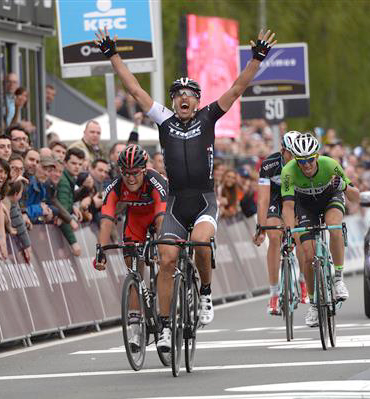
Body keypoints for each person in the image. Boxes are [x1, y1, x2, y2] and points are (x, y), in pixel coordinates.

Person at [95, 26, 277, 351]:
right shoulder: (164, 120)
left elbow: (236, 89)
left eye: (189, 94)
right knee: (166, 260)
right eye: (177, 94)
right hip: (177, 203)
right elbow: (135, 90)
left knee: (200, 242)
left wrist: (257, 59)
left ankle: (205, 293)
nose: (183, 97)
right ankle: (164, 328)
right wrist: (113, 54)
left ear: (196, 100)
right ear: (173, 101)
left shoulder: (208, 117)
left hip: (205, 200)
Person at [280, 133, 360, 327]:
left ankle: (339, 278)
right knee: (308, 255)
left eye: (309, 160)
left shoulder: (330, 164)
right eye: (301, 161)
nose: (306, 165)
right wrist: (289, 233)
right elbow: (288, 207)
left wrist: (343, 185)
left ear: (316, 156)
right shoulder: (288, 172)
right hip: (305, 206)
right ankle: (315, 303)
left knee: (334, 227)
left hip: (329, 199)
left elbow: (356, 197)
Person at [94, 145, 167, 350]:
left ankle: (168, 320)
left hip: (160, 216)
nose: (130, 178)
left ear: (144, 170)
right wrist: (101, 249)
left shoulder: (155, 181)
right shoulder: (115, 187)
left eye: (135, 173)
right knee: (134, 271)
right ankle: (135, 326)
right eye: (125, 173)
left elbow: (161, 217)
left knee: (166, 262)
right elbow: (107, 219)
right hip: (136, 222)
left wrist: (161, 246)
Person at [253, 131, 308, 315]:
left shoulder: (303, 163)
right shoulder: (269, 164)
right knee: (274, 237)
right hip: (275, 199)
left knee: (299, 235)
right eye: (291, 154)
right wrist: (261, 227)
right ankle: (274, 294)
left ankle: (302, 281)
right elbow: (262, 199)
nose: (295, 158)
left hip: (297, 199)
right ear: (283, 150)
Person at [56, 147, 84, 256]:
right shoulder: (63, 182)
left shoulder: (69, 180)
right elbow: (62, 215)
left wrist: (72, 206)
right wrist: (73, 242)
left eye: (80, 164)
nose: (77, 167)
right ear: (65, 163)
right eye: (73, 163)